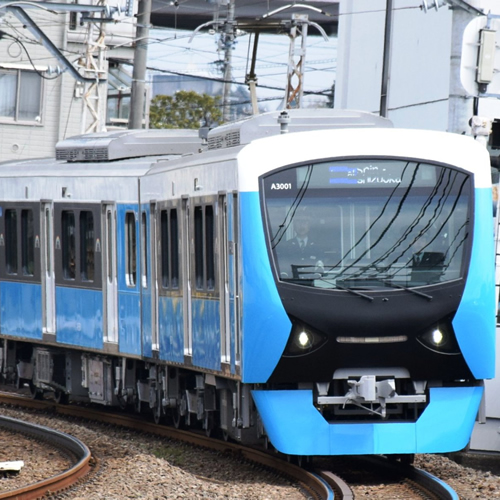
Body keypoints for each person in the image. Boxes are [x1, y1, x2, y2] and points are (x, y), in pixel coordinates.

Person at [278, 212, 325, 279]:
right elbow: (283, 268)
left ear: (309, 226)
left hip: (311, 285)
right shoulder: (286, 246)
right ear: (294, 225)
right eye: (298, 222)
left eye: (305, 222)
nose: (301, 225)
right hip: (291, 284)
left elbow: (320, 267)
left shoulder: (317, 247)